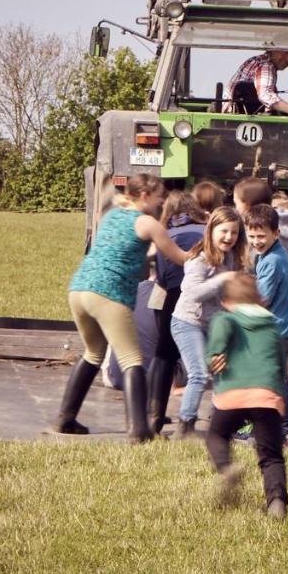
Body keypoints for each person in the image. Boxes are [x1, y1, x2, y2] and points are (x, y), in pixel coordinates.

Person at [56, 173, 190, 442]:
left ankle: (65, 419)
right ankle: (140, 431)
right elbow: (180, 257)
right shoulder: (147, 223)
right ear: (144, 196)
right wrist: (208, 250)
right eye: (158, 195)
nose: (162, 200)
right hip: (108, 294)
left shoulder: (112, 216)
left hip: (80, 290)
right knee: (132, 361)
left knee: (93, 354)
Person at [205, 273, 288, 520]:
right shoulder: (273, 326)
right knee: (271, 456)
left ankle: (227, 467)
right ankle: (276, 502)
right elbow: (280, 365)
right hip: (266, 397)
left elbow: (218, 339)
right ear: (260, 300)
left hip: (232, 395)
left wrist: (212, 357)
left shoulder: (225, 319)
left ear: (227, 300)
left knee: (217, 434)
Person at [170, 206, 248, 439]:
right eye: (223, 231)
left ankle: (222, 422)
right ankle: (184, 426)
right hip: (188, 322)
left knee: (225, 371)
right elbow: (191, 291)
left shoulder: (232, 257)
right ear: (211, 230)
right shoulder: (200, 258)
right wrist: (223, 279)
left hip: (214, 325)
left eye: (234, 233)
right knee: (199, 374)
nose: (228, 237)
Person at [145, 191, 207, 434]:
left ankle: (154, 416)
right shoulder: (206, 231)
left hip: (172, 296)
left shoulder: (165, 234)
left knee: (164, 355)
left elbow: (159, 278)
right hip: (205, 297)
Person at [243, 203, 288, 447]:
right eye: (252, 235)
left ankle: (282, 428)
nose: (256, 241)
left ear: (276, 233)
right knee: (278, 380)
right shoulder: (280, 254)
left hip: (274, 331)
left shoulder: (269, 262)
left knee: (267, 381)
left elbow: (262, 300)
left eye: (262, 236)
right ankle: (287, 428)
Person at [223, 49, 288, 128]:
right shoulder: (266, 66)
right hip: (243, 121)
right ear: (272, 50)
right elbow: (265, 95)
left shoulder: (255, 60)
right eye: (284, 53)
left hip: (232, 119)